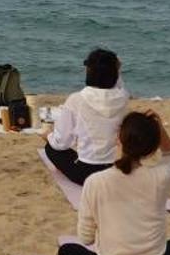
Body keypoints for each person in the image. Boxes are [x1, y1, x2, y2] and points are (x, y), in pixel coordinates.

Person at [58, 109, 170, 255]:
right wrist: (159, 129)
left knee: (67, 252)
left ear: (118, 139)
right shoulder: (161, 177)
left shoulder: (95, 182)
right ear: (152, 149)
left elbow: (85, 238)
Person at [44, 48, 128, 185]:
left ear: (89, 71)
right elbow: (119, 84)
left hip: (87, 174)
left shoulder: (76, 99)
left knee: (51, 148)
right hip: (115, 169)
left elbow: (62, 142)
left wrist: (48, 136)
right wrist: (116, 68)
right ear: (115, 73)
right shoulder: (123, 97)